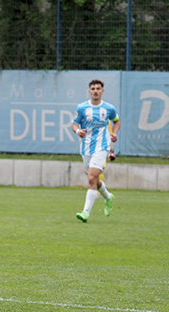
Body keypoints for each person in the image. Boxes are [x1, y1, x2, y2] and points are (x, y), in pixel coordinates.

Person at [72, 79, 120, 223]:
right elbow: (74, 124)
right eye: (93, 88)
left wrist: (115, 134)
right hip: (86, 148)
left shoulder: (109, 108)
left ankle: (85, 213)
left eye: (98, 88)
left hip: (102, 147)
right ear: (89, 91)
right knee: (93, 179)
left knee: (91, 178)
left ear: (102, 91)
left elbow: (116, 121)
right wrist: (78, 131)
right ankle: (108, 197)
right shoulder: (82, 108)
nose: (95, 91)